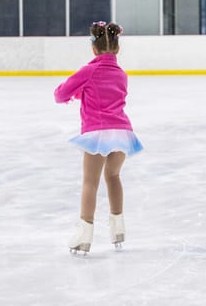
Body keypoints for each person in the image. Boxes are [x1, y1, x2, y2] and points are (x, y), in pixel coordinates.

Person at [54, 21, 143, 254]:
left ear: (93, 48)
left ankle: (84, 234)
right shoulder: (122, 75)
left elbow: (61, 93)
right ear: (117, 48)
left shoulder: (89, 70)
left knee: (90, 181)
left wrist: (71, 93)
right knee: (113, 176)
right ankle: (118, 229)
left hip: (97, 133)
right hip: (122, 131)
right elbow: (104, 93)